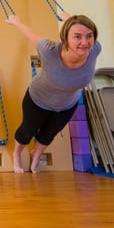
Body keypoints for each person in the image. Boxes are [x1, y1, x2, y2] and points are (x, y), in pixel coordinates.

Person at [6, 12, 101, 174]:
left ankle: (36, 155)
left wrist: (70, 20)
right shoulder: (49, 51)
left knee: (49, 134)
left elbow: (81, 32)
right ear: (66, 38)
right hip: (38, 98)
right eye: (77, 37)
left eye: (89, 36)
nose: (85, 42)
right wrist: (17, 22)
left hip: (67, 104)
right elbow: (32, 35)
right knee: (27, 131)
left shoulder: (95, 50)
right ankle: (17, 154)